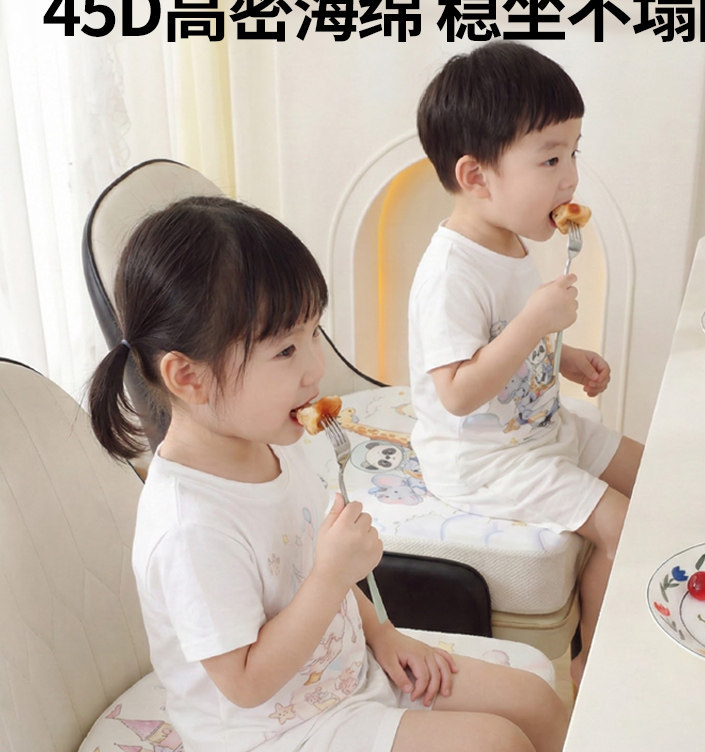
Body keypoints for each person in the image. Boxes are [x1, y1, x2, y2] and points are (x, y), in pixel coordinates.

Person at [88, 195, 568, 752]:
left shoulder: (275, 442)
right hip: (274, 732)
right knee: (495, 743)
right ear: (188, 377)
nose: (315, 368)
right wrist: (331, 575)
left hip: (343, 676)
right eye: (285, 351)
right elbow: (245, 683)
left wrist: (383, 634)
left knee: (534, 700)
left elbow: (313, 571)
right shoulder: (189, 527)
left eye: (314, 333)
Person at [409, 41, 644, 686]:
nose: (571, 178)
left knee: (653, 476)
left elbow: (506, 345)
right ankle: (593, 668)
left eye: (573, 153)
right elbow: (458, 391)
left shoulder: (508, 239)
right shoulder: (451, 271)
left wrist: (565, 358)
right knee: (622, 523)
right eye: (550, 158)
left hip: (537, 429)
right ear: (477, 176)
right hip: (484, 460)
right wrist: (536, 322)